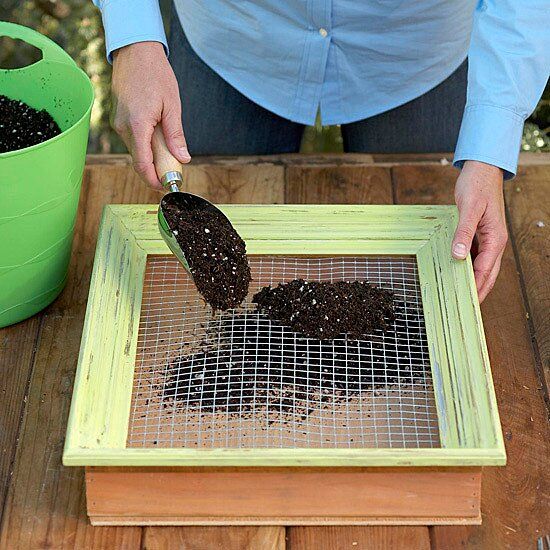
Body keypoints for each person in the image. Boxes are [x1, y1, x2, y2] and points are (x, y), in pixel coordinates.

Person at [93, 0, 549, 302]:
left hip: (415, 53)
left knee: (428, 271)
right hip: (234, 38)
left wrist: (490, 144)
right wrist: (135, 40)